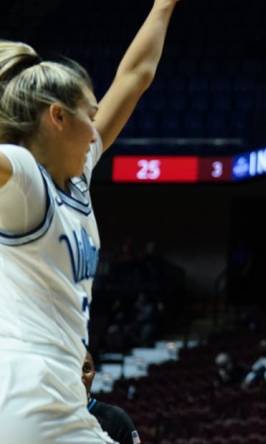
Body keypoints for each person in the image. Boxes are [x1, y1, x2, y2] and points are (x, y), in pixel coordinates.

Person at [0, 1, 178, 442]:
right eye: (90, 114)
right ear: (58, 118)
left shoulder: (77, 175)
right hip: (27, 389)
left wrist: (163, 6)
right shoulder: (23, 176)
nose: (98, 125)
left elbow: (134, 77)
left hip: (55, 391)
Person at [82, 351, 140, 444]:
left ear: (94, 374)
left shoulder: (117, 419)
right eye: (75, 368)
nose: (81, 375)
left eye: (86, 369)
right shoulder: (51, 418)